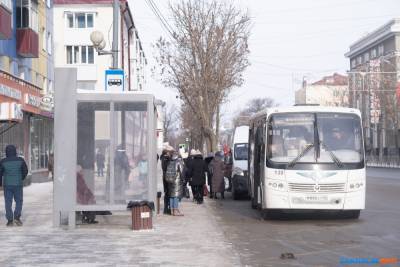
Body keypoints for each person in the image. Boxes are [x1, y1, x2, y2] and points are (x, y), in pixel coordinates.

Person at [0, 145, 28, 226]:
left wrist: (0, 184)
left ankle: (9, 220)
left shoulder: (3, 161)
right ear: (15, 151)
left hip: (7, 184)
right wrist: (21, 178)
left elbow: (0, 172)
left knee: (8, 202)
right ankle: (17, 218)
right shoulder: (20, 160)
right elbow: (25, 170)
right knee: (19, 201)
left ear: (6, 151)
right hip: (18, 184)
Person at [165, 151, 184, 216]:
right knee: (175, 196)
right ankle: (175, 210)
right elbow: (182, 172)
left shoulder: (170, 162)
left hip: (170, 181)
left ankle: (172, 210)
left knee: (171, 196)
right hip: (177, 181)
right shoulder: (179, 162)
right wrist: (183, 180)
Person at [160, 146, 174, 214]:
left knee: (168, 193)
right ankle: (166, 209)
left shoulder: (165, 158)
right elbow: (165, 167)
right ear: (167, 152)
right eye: (170, 152)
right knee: (168, 193)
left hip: (167, 177)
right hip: (167, 177)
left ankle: (167, 208)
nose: (171, 153)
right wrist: (170, 160)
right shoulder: (165, 158)